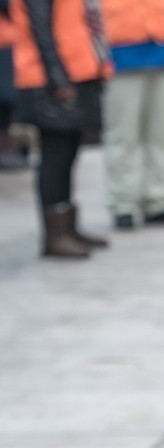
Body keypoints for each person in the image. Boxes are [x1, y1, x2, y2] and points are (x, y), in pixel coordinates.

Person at [9, 0, 111, 259]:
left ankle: (67, 227)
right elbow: (41, 29)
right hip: (51, 79)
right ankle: (54, 236)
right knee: (54, 157)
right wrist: (58, 80)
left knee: (68, 153)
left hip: (74, 72)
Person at [99, 0, 164, 230]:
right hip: (118, 50)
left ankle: (157, 201)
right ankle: (123, 205)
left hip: (162, 46)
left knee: (159, 134)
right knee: (123, 134)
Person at [0, 3, 31, 170]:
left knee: (8, 101)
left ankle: (7, 150)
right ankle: (4, 152)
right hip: (4, 39)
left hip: (11, 39)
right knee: (5, 99)